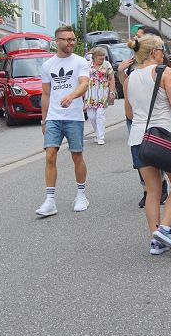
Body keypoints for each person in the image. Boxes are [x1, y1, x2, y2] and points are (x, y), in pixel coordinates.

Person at [126, 33, 171, 255]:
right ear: (154, 52)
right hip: (164, 136)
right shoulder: (164, 72)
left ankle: (155, 241)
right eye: (162, 50)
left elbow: (128, 112)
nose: (164, 55)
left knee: (152, 190)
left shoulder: (130, 77)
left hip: (139, 139)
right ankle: (164, 228)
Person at [36, 25, 91, 217]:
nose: (71, 42)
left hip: (73, 118)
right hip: (53, 118)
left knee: (77, 156)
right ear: (57, 41)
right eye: (67, 39)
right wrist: (43, 120)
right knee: (50, 156)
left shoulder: (80, 62)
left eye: (73, 39)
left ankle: (81, 195)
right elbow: (45, 93)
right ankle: (50, 201)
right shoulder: (47, 65)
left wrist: (71, 96)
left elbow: (84, 84)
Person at [118, 28, 168, 209]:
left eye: (139, 36)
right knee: (143, 153)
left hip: (153, 117)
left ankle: (160, 185)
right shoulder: (131, 64)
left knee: (157, 152)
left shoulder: (160, 63)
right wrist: (120, 72)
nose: (135, 39)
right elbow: (127, 91)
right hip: (136, 118)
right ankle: (148, 189)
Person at [84, 46, 115, 146]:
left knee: (100, 115)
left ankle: (101, 137)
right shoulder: (87, 65)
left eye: (103, 56)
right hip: (90, 94)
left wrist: (111, 92)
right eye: (100, 57)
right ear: (94, 57)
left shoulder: (107, 65)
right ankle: (98, 134)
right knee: (91, 116)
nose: (102, 58)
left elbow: (111, 79)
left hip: (102, 93)